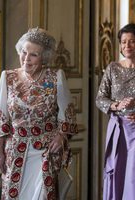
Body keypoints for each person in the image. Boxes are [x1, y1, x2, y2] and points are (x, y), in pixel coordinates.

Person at [0, 27, 78, 200]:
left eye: (34, 55)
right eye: (24, 52)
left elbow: (68, 115)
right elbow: (2, 119)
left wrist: (61, 135)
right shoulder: (8, 78)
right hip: (15, 150)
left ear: (44, 57)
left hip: (45, 152)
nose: (26, 59)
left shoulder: (56, 78)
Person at [96, 23, 135, 200]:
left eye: (132, 41)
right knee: (119, 172)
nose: (127, 46)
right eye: (124, 42)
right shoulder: (113, 68)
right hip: (118, 130)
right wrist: (117, 106)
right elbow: (100, 99)